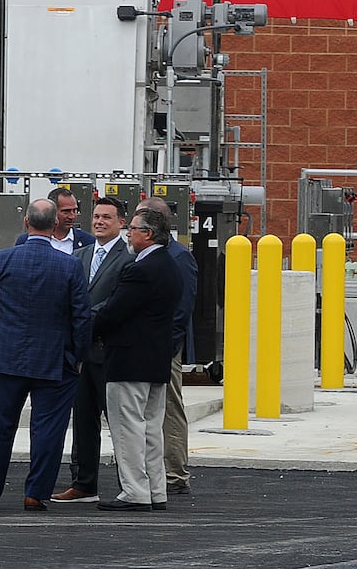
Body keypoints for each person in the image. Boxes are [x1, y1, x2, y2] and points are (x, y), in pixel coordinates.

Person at [0, 196, 91, 511]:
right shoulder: (70, 265)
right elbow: (81, 316)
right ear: (56, 226)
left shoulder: (3, 259)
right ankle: (35, 492)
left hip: (7, 356)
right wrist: (78, 356)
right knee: (48, 430)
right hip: (55, 359)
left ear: (25, 223)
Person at [93, 205, 182, 512]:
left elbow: (114, 310)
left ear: (147, 234)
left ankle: (134, 490)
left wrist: (86, 328)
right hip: (156, 359)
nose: (127, 233)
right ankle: (156, 489)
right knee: (151, 428)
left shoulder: (141, 269)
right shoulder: (170, 265)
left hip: (129, 360)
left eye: (132, 228)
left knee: (127, 428)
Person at [52, 195, 131, 504]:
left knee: (121, 424)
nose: (99, 221)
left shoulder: (129, 258)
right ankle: (83, 483)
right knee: (83, 421)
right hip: (81, 355)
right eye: (96, 216)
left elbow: (116, 303)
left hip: (110, 351)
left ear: (121, 223)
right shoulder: (80, 256)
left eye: (107, 217)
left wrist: (84, 321)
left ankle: (132, 483)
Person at [138, 195, 199, 496]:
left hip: (165, 346)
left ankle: (175, 472)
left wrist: (168, 345)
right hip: (145, 344)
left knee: (170, 408)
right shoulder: (145, 255)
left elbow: (183, 307)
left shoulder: (178, 257)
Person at [15, 186, 92, 253]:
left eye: (74, 210)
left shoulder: (88, 241)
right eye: (66, 211)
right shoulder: (25, 240)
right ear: (52, 211)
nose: (72, 216)